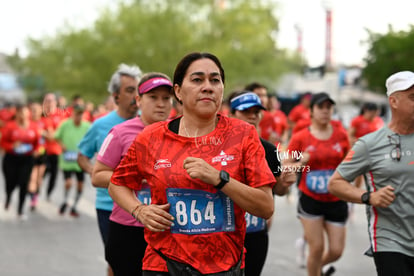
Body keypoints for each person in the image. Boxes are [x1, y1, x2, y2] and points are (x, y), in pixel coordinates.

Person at [108, 52, 275, 275]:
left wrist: (220, 179)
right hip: (164, 263)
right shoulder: (151, 138)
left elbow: (265, 206)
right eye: (197, 80)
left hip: (224, 266)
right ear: (178, 91)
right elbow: (117, 184)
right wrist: (139, 210)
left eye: (215, 80)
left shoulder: (243, 135)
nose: (207, 87)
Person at [328, 71, 414, 276]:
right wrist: (368, 197)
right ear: (393, 101)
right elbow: (335, 183)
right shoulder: (369, 144)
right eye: (412, 97)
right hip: (390, 240)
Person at [92, 72, 174, 276]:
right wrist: (134, 179)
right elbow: (98, 175)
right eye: (153, 97)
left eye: (166, 98)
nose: (161, 104)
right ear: (138, 100)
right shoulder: (120, 133)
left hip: (168, 227)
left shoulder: (181, 132)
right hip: (129, 226)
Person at [77, 63, 141, 276]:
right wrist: (98, 173)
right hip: (108, 205)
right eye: (129, 90)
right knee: (117, 262)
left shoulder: (150, 123)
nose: (135, 95)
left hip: (145, 204)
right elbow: (82, 157)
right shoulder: (100, 125)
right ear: (116, 96)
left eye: (138, 90)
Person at [227, 91, 297, 276]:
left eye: (257, 112)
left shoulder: (268, 149)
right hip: (224, 233)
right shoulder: (219, 148)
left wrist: (285, 183)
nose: (252, 116)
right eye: (246, 111)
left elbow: (278, 191)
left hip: (256, 232)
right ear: (231, 114)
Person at [286, 92, 350, 276]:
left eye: (328, 107)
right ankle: (315, 269)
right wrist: (300, 163)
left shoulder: (340, 134)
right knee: (317, 248)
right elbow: (286, 165)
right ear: (311, 111)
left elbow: (349, 161)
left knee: (337, 250)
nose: (325, 111)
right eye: (320, 107)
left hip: (336, 198)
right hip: (310, 198)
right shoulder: (300, 137)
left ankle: (316, 269)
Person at [1, 104, 40, 219]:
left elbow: (38, 143)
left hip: (27, 159)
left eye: (26, 113)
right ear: (17, 114)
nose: (24, 115)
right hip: (11, 159)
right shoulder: (10, 126)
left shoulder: (33, 127)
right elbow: (2, 143)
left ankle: (20, 210)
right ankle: (8, 196)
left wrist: (36, 151)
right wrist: (12, 146)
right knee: (11, 183)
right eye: (21, 113)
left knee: (23, 183)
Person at [55, 104, 90, 217]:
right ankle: (65, 201)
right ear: (72, 114)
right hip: (68, 160)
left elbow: (92, 139)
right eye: (76, 113)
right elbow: (57, 136)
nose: (78, 116)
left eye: (80, 114)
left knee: (80, 184)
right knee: (68, 182)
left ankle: (74, 205)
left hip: (81, 160)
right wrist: (63, 146)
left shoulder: (87, 126)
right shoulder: (65, 124)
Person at [42, 93, 64, 200]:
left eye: (51, 100)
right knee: (40, 173)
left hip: (56, 150)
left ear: (55, 102)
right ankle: (34, 193)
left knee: (53, 175)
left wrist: (46, 133)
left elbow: (62, 133)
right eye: (47, 100)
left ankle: (48, 194)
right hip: (42, 150)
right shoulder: (41, 115)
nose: (49, 103)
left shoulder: (61, 115)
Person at [27, 102, 48, 211]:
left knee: (39, 178)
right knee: (32, 177)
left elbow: (52, 136)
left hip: (42, 153)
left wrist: (43, 133)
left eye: (36, 110)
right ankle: (33, 199)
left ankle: (36, 193)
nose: (34, 112)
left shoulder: (44, 122)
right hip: (31, 153)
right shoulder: (28, 123)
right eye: (32, 110)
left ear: (41, 111)